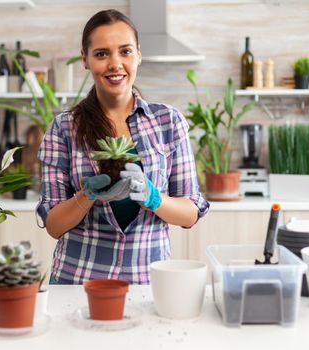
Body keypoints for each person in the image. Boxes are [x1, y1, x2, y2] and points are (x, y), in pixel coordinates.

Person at [36, 9, 209, 284]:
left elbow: (190, 214)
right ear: (86, 59)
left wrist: (154, 198)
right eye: (102, 54)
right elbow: (54, 226)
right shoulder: (64, 128)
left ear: (139, 54)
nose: (115, 63)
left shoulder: (168, 122)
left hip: (148, 282)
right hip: (78, 281)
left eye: (125, 52)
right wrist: (86, 195)